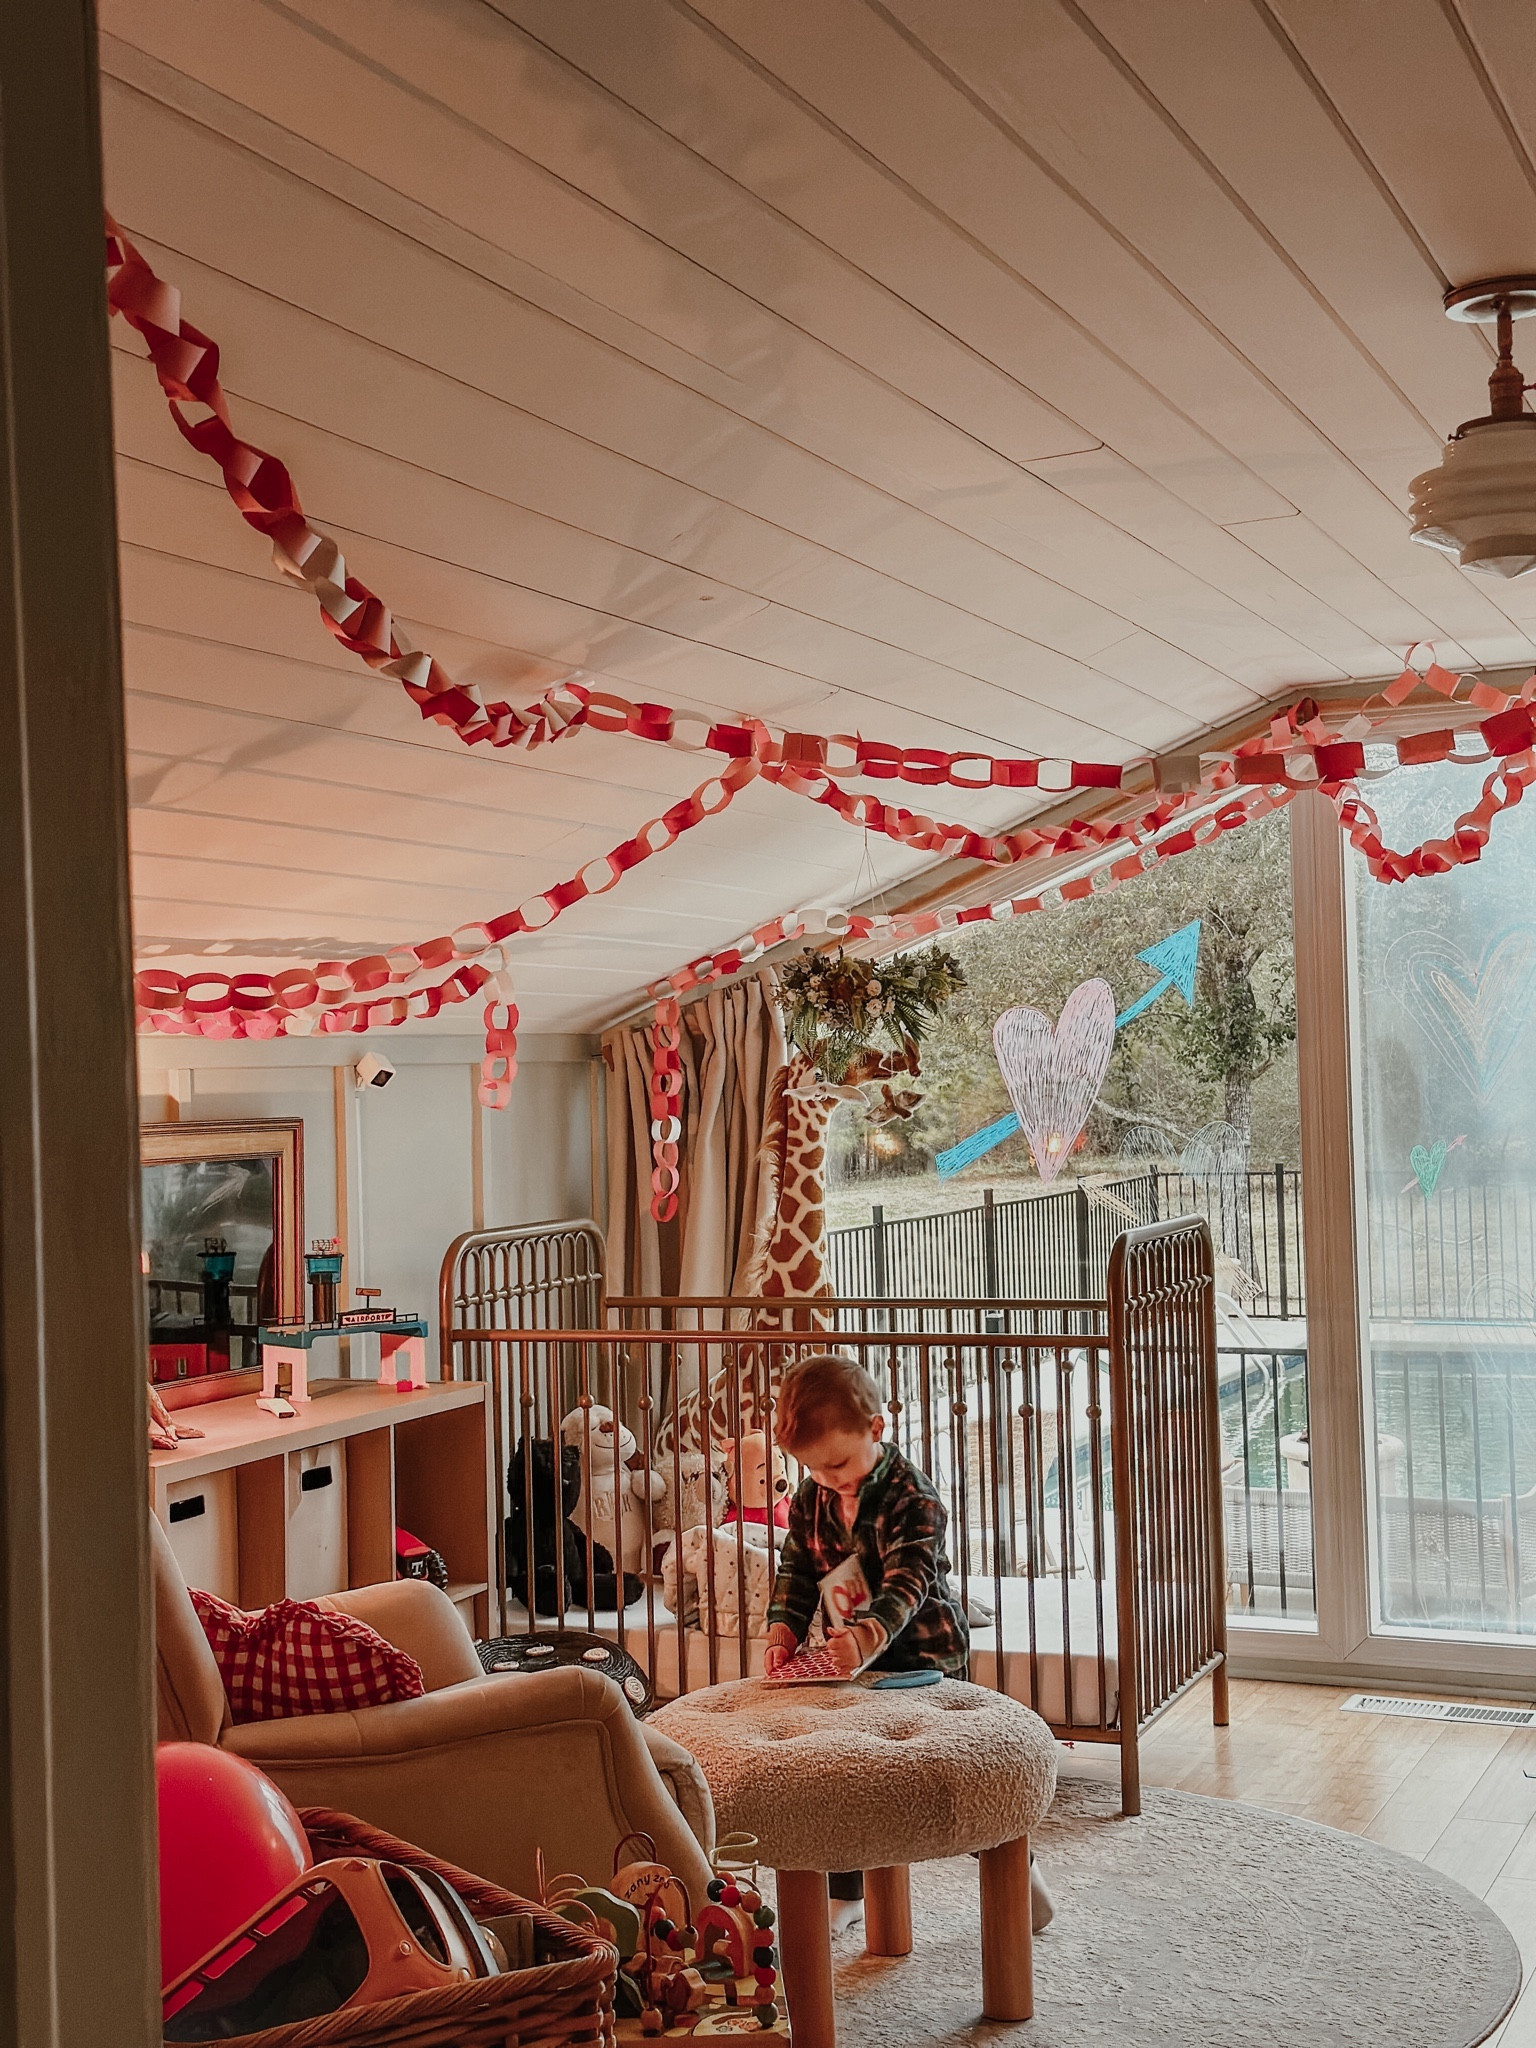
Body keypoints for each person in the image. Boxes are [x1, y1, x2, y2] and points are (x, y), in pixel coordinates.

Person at [763, 1352, 966, 1933]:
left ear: (876, 1430)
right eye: (815, 1469)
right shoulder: (811, 1498)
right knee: (844, 1774)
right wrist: (783, 1629)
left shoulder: (914, 1498)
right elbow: (796, 1571)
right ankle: (846, 1888)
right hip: (850, 1661)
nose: (829, 1479)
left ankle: (1012, 1864)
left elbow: (908, 1583)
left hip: (923, 1656)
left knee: (943, 1778)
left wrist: (868, 1635)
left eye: (840, 1464)